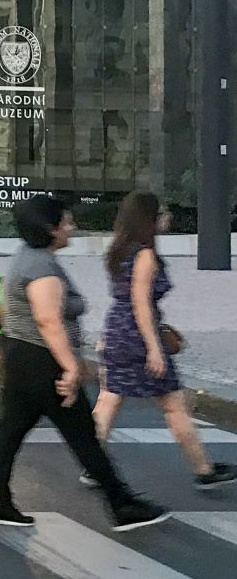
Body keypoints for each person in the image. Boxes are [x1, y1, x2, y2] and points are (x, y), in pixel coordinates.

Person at [0, 195, 164, 531]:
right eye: (66, 222)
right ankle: (121, 503)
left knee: (10, 429)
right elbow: (49, 321)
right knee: (82, 435)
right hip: (42, 360)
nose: (71, 227)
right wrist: (70, 367)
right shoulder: (40, 268)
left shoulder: (30, 257)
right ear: (50, 229)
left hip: (23, 356)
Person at [93, 192, 235, 489]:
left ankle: (91, 463)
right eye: (163, 212)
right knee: (173, 404)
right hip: (138, 336)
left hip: (117, 330)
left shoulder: (119, 250)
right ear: (151, 218)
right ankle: (203, 470)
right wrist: (154, 349)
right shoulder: (145, 254)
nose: (167, 216)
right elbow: (140, 303)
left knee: (109, 399)